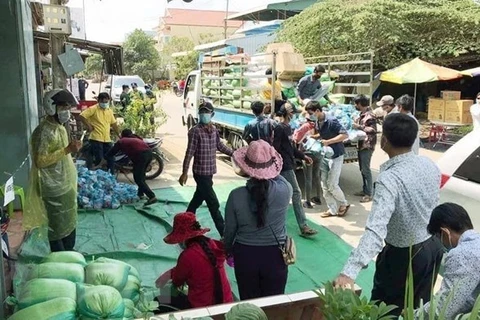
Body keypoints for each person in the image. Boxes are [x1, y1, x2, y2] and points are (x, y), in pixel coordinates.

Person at [334, 113, 444, 316]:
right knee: (418, 310)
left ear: (384, 140)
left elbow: (376, 230)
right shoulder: (429, 164)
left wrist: (349, 272)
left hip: (404, 257)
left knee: (384, 311)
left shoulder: (389, 178)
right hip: (432, 247)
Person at [225, 140, 292, 300]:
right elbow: (278, 176)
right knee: (274, 306)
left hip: (245, 256)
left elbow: (229, 231)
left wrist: (228, 250)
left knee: (250, 306)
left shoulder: (236, 195)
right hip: (275, 256)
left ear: (246, 168)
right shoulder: (285, 190)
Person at [26, 89, 82, 252]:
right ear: (51, 107)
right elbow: (40, 161)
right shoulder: (43, 131)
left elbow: (63, 155)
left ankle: (69, 251)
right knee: (57, 227)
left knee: (69, 218)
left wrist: (71, 149)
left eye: (68, 107)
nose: (67, 111)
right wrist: (66, 150)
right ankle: (60, 256)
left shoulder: (60, 128)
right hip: (51, 187)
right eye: (63, 107)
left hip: (65, 183)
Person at [155, 212, 233, 310]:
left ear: (182, 239)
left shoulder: (187, 256)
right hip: (227, 302)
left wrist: (167, 276)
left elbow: (177, 281)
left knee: (159, 301)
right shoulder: (212, 244)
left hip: (203, 309)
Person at [416, 203, 480, 319]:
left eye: (437, 237)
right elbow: (467, 298)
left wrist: (416, 315)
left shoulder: (461, 255)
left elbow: (445, 308)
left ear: (445, 232)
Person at [179, 102, 234, 236]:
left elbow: (220, 146)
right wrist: (184, 172)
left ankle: (184, 223)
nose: (204, 114)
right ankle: (224, 234)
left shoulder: (214, 130)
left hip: (209, 172)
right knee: (213, 204)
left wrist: (234, 153)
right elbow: (189, 152)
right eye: (202, 112)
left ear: (212, 114)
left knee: (197, 199)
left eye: (206, 112)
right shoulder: (195, 131)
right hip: (200, 173)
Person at [273, 103, 317, 237]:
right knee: (296, 193)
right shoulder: (280, 128)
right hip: (284, 166)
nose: (293, 115)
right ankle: (303, 226)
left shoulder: (288, 127)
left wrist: (303, 156)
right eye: (292, 112)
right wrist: (278, 164)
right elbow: (275, 148)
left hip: (288, 164)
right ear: (286, 113)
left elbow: (291, 148)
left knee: (281, 194)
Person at [305, 103, 350, 218]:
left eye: (311, 113)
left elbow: (345, 135)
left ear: (318, 111)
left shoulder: (331, 121)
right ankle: (332, 209)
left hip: (336, 155)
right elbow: (323, 133)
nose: (310, 116)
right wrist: (315, 137)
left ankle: (344, 203)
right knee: (324, 184)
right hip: (325, 155)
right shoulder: (317, 122)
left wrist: (329, 141)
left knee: (332, 184)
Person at [103, 129, 157, 206]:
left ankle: (152, 196)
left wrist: (104, 159)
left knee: (138, 178)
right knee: (141, 176)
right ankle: (140, 194)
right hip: (149, 154)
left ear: (122, 135)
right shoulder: (136, 138)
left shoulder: (122, 141)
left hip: (140, 156)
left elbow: (112, 152)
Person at [79, 92, 120, 174]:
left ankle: (111, 175)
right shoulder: (93, 109)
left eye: (106, 102)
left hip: (107, 139)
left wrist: (119, 134)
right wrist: (89, 126)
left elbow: (114, 123)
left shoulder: (109, 111)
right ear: (99, 100)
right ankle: (101, 176)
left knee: (111, 158)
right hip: (96, 138)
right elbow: (82, 116)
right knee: (99, 160)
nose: (104, 103)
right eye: (103, 102)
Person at [292, 111, 322, 208]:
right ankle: (318, 198)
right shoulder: (318, 125)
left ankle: (307, 201)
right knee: (317, 176)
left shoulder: (305, 126)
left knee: (308, 178)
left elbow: (296, 139)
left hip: (308, 153)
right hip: (318, 152)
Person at [352, 94, 377, 203]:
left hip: (367, 145)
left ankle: (369, 193)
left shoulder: (370, 116)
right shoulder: (361, 114)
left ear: (360, 104)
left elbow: (373, 130)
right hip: (361, 145)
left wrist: (359, 127)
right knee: (362, 169)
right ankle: (365, 189)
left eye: (356, 103)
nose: (355, 105)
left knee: (366, 169)